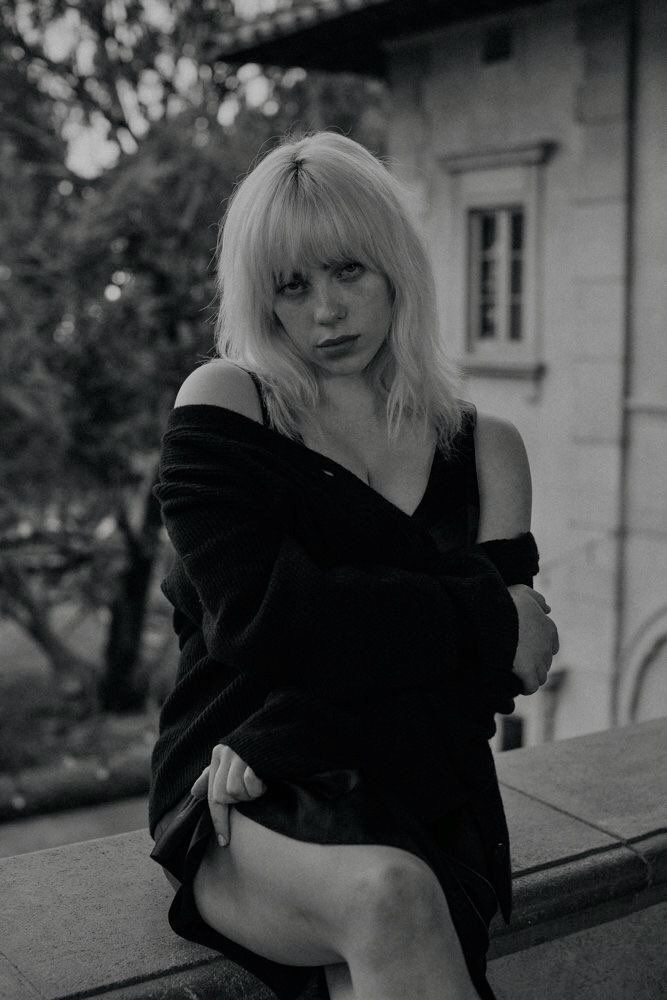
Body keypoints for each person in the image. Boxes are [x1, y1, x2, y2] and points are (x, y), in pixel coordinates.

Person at [149, 131, 559, 1000]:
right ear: (262, 299)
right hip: (234, 795)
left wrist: (284, 733)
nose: (324, 314)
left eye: (347, 273)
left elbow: (511, 672)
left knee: (392, 907)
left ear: (395, 269)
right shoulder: (227, 405)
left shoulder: (487, 448)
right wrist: (480, 614)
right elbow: (264, 620)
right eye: (291, 287)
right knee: (386, 896)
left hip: (404, 784)